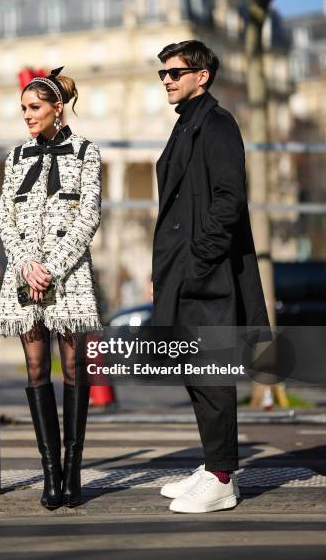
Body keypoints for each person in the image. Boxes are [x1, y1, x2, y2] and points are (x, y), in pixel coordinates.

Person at [151, 40, 269, 513]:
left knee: (212, 372)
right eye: (162, 74)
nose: (167, 80)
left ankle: (222, 478)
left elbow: (228, 200)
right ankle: (211, 463)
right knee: (193, 371)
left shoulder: (217, 124)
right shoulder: (187, 125)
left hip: (208, 271)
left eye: (176, 72)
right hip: (183, 268)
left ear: (203, 75)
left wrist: (199, 260)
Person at [0, 67, 102, 509]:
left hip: (68, 277)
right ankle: (50, 475)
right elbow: (5, 218)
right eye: (22, 109)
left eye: (34, 107)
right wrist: (24, 265)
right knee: (37, 371)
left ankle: (73, 473)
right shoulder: (15, 156)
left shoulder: (86, 153)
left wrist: (51, 268)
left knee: (74, 371)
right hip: (24, 279)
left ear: (58, 108)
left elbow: (89, 216)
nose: (27, 116)